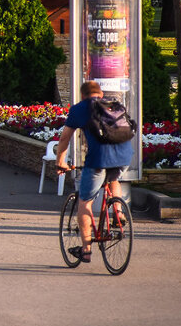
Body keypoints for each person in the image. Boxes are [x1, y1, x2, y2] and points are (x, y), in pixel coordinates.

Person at [54, 80, 134, 264]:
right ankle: (119, 214)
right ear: (100, 93)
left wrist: (60, 162)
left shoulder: (80, 109)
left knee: (85, 201)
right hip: (124, 157)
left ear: (83, 95)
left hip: (98, 161)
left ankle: (86, 249)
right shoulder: (114, 105)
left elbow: (65, 137)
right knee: (113, 179)